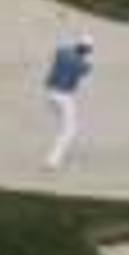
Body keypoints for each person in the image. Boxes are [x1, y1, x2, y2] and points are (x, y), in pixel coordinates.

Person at [45, 33, 95, 170]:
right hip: (63, 97)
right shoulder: (84, 64)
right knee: (70, 130)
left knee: (63, 127)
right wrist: (86, 57)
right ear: (88, 50)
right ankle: (52, 161)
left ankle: (55, 157)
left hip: (49, 94)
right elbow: (85, 71)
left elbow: (58, 51)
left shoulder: (61, 52)